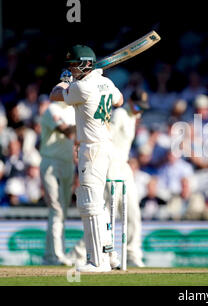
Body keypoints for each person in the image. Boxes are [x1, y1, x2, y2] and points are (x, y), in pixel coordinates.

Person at [50, 44, 124, 272]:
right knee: (98, 205)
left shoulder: (81, 87)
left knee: (90, 204)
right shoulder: (107, 83)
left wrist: (64, 81)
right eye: (69, 67)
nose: (71, 69)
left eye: (73, 65)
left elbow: (54, 95)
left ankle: (97, 262)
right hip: (106, 147)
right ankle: (110, 256)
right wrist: (93, 81)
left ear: (85, 64)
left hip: (91, 149)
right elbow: (119, 101)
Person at [107, 89, 149, 267]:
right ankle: (98, 253)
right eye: (138, 106)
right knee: (108, 214)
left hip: (124, 167)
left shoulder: (133, 117)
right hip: (111, 166)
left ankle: (132, 254)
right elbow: (107, 138)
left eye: (143, 108)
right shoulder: (119, 114)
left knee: (133, 211)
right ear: (130, 101)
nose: (140, 110)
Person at [39, 95, 76, 266]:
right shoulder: (52, 109)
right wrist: (87, 125)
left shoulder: (73, 110)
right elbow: (65, 130)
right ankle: (57, 254)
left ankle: (49, 254)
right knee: (56, 208)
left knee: (63, 209)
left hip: (68, 162)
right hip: (51, 161)